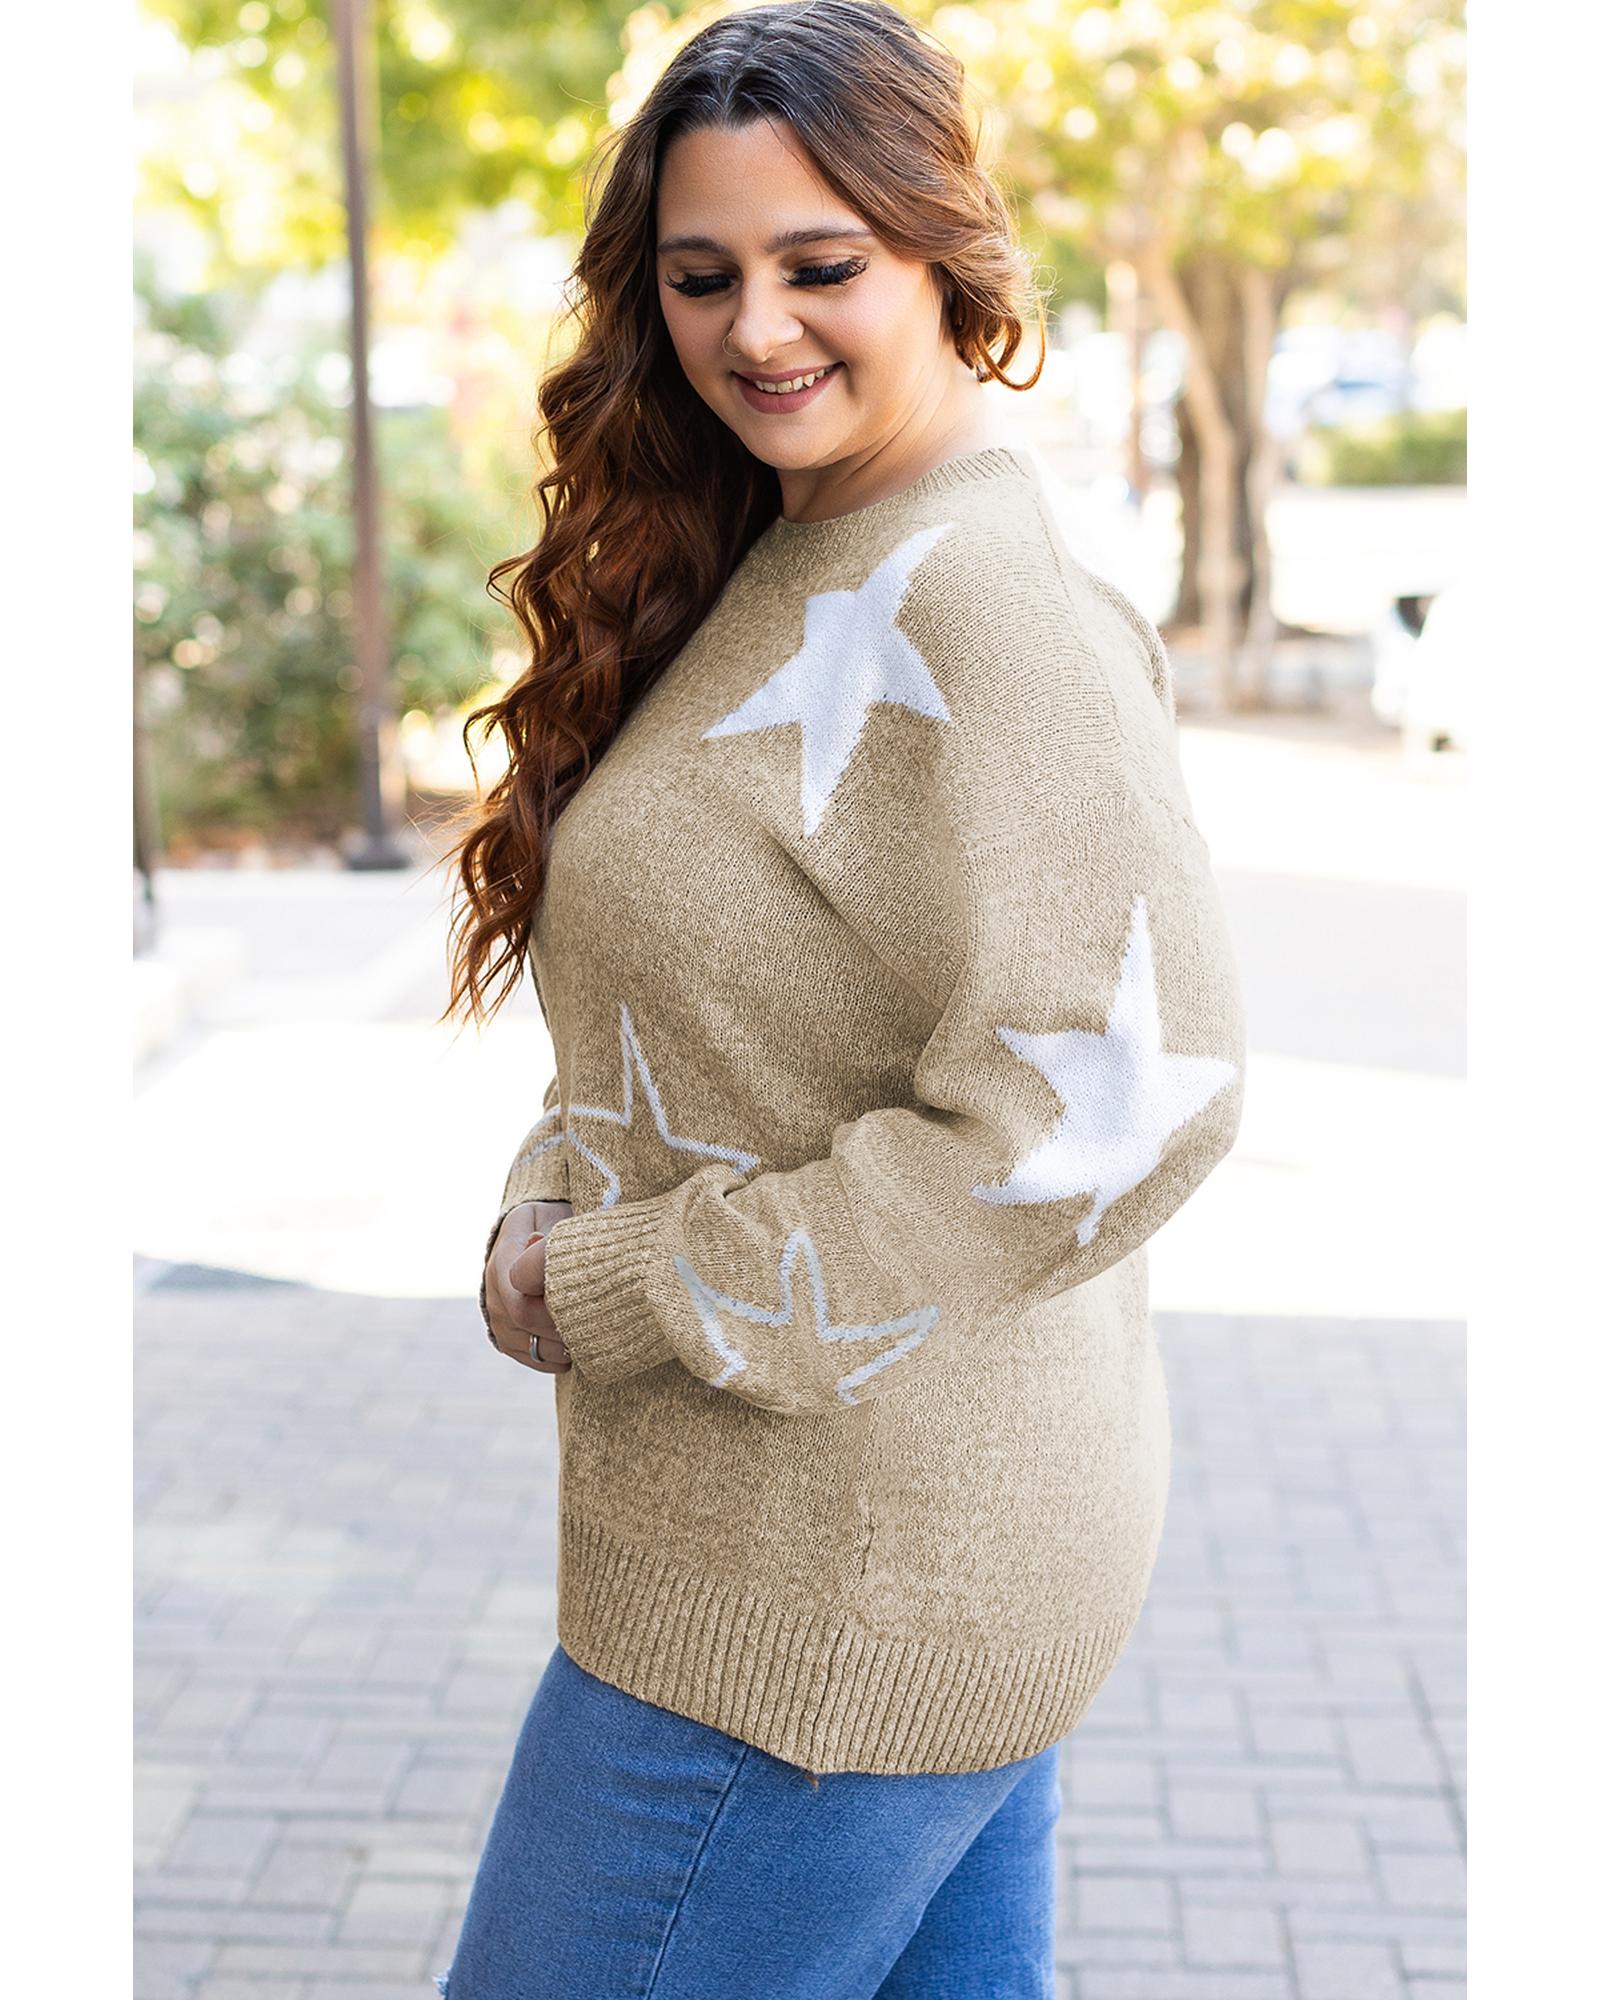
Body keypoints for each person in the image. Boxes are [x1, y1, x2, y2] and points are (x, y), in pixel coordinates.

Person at [433, 2, 1248, 1993]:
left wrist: (623, 1281)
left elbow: (1122, 1101)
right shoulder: (795, 544)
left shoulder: (977, 597)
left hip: (822, 1607)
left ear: (940, 254)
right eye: (700, 276)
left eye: (822, 265)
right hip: (873, 1555)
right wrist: (554, 1181)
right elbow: (716, 998)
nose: (757, 329)